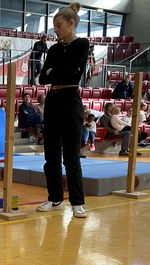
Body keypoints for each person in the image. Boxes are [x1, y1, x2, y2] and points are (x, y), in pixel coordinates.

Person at [36, 2, 89, 218]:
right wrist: (57, 70)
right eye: (54, 26)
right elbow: (43, 78)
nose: (56, 30)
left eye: (59, 26)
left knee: (71, 155)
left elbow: (72, 73)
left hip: (70, 99)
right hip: (53, 100)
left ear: (71, 23)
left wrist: (54, 70)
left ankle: (77, 201)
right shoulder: (54, 49)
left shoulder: (82, 44)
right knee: (51, 155)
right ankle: (55, 197)